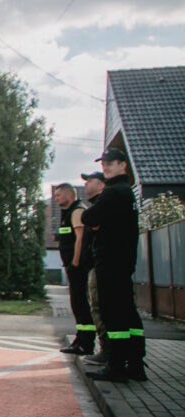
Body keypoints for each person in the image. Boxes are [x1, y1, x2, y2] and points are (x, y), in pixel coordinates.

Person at [82, 148, 146, 382]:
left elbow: (88, 218)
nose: (106, 166)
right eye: (104, 163)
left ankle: (117, 366)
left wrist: (96, 224)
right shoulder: (128, 193)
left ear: (123, 165)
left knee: (113, 314)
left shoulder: (112, 193)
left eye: (111, 163)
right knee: (129, 314)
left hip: (110, 262)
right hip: (124, 261)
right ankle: (136, 363)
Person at [54, 183, 94, 355]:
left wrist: (75, 262)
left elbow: (80, 238)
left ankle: (86, 341)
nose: (56, 199)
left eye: (58, 195)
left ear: (69, 195)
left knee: (81, 303)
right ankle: (81, 337)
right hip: (72, 265)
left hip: (77, 266)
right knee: (77, 303)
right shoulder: (68, 213)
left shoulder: (77, 211)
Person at [79, 171, 110, 366]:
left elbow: (87, 220)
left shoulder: (102, 205)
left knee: (99, 307)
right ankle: (106, 348)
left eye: (90, 181)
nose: (86, 184)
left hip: (100, 265)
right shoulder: (97, 205)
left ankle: (107, 349)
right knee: (96, 306)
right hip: (95, 265)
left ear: (101, 185)